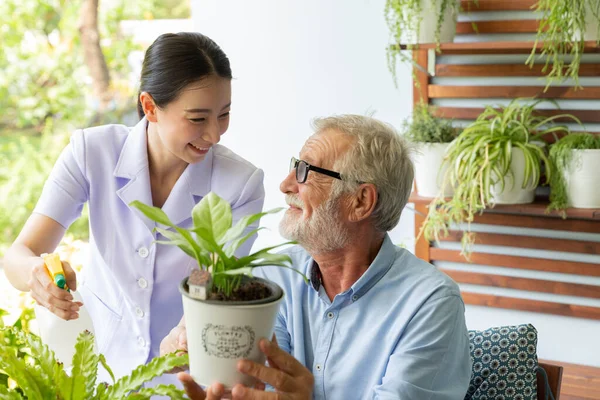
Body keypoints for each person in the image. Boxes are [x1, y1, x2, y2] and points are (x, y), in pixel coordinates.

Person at [3, 32, 265, 385]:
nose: (215, 134)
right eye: (198, 119)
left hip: (184, 378)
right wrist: (37, 273)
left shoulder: (241, 184)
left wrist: (184, 336)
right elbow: (19, 254)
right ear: (150, 106)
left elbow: (215, 288)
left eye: (225, 114)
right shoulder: (90, 152)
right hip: (98, 371)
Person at [162, 114, 472, 399]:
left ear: (361, 201)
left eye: (304, 171)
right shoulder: (275, 275)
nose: (285, 186)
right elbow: (263, 386)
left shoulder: (430, 303)